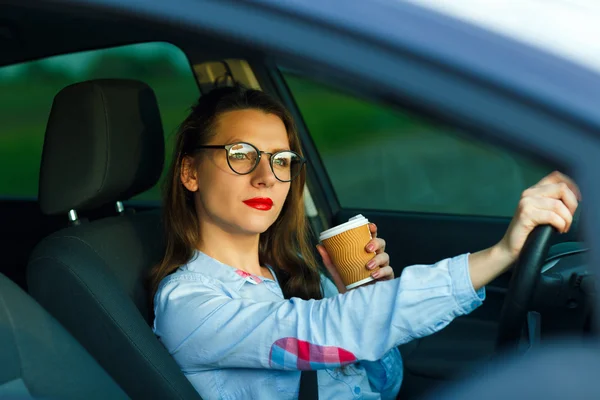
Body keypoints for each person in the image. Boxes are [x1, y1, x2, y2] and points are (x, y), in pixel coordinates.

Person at [150, 86, 580, 400]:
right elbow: (319, 331)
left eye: (281, 161)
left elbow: (384, 385)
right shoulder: (188, 304)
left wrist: (364, 293)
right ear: (190, 172)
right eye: (241, 154)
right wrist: (501, 254)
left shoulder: (300, 273)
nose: (266, 175)